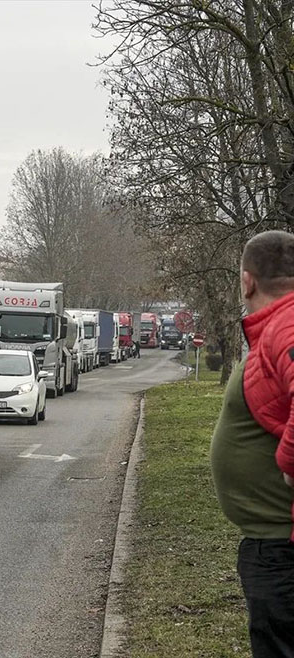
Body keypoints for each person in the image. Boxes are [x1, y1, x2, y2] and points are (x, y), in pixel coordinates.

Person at [210, 230, 294, 658]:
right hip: (273, 543)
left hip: (282, 548)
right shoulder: (280, 326)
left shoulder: (287, 324)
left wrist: (288, 460)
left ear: (247, 281)